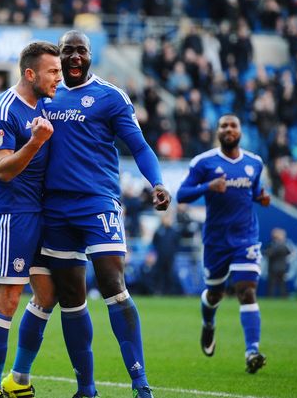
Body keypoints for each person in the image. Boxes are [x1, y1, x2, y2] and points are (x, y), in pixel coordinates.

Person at [40, 30, 170, 398]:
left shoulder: (110, 97)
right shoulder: (45, 96)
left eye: (82, 50)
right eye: (69, 51)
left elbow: (140, 147)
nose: (76, 57)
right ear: (59, 56)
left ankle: (140, 382)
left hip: (98, 203)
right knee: (71, 297)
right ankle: (86, 388)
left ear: (91, 55)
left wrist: (156, 182)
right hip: (56, 209)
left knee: (113, 283)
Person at [0, 41, 62, 398]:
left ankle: (18, 379)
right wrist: (35, 142)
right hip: (11, 215)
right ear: (31, 74)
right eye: (53, 72)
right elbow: (2, 169)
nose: (59, 78)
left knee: (48, 293)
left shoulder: (46, 103)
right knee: (8, 300)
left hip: (41, 211)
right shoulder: (3, 110)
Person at [176, 113, 270, 374]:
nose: (229, 129)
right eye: (224, 125)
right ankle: (208, 325)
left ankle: (252, 350)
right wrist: (208, 186)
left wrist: (261, 198)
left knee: (246, 290)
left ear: (240, 131)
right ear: (217, 131)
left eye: (233, 125)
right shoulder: (204, 162)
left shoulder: (255, 163)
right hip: (216, 240)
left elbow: (254, 192)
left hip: (246, 237)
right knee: (216, 294)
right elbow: (182, 194)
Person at [265, 227, 292, 297]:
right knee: (273, 285)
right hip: (276, 267)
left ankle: (283, 298)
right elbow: (267, 253)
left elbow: (290, 253)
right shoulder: (274, 245)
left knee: (281, 285)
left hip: (278, 268)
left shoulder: (281, 245)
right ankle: (271, 298)